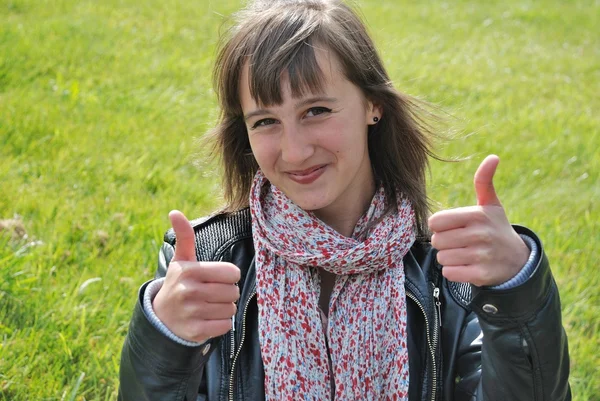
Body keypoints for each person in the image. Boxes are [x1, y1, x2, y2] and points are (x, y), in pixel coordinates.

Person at [118, 0, 571, 400]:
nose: (294, 151)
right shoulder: (207, 265)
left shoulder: (451, 271)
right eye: (265, 121)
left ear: (373, 104)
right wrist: (165, 340)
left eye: (316, 111)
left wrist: (516, 292)